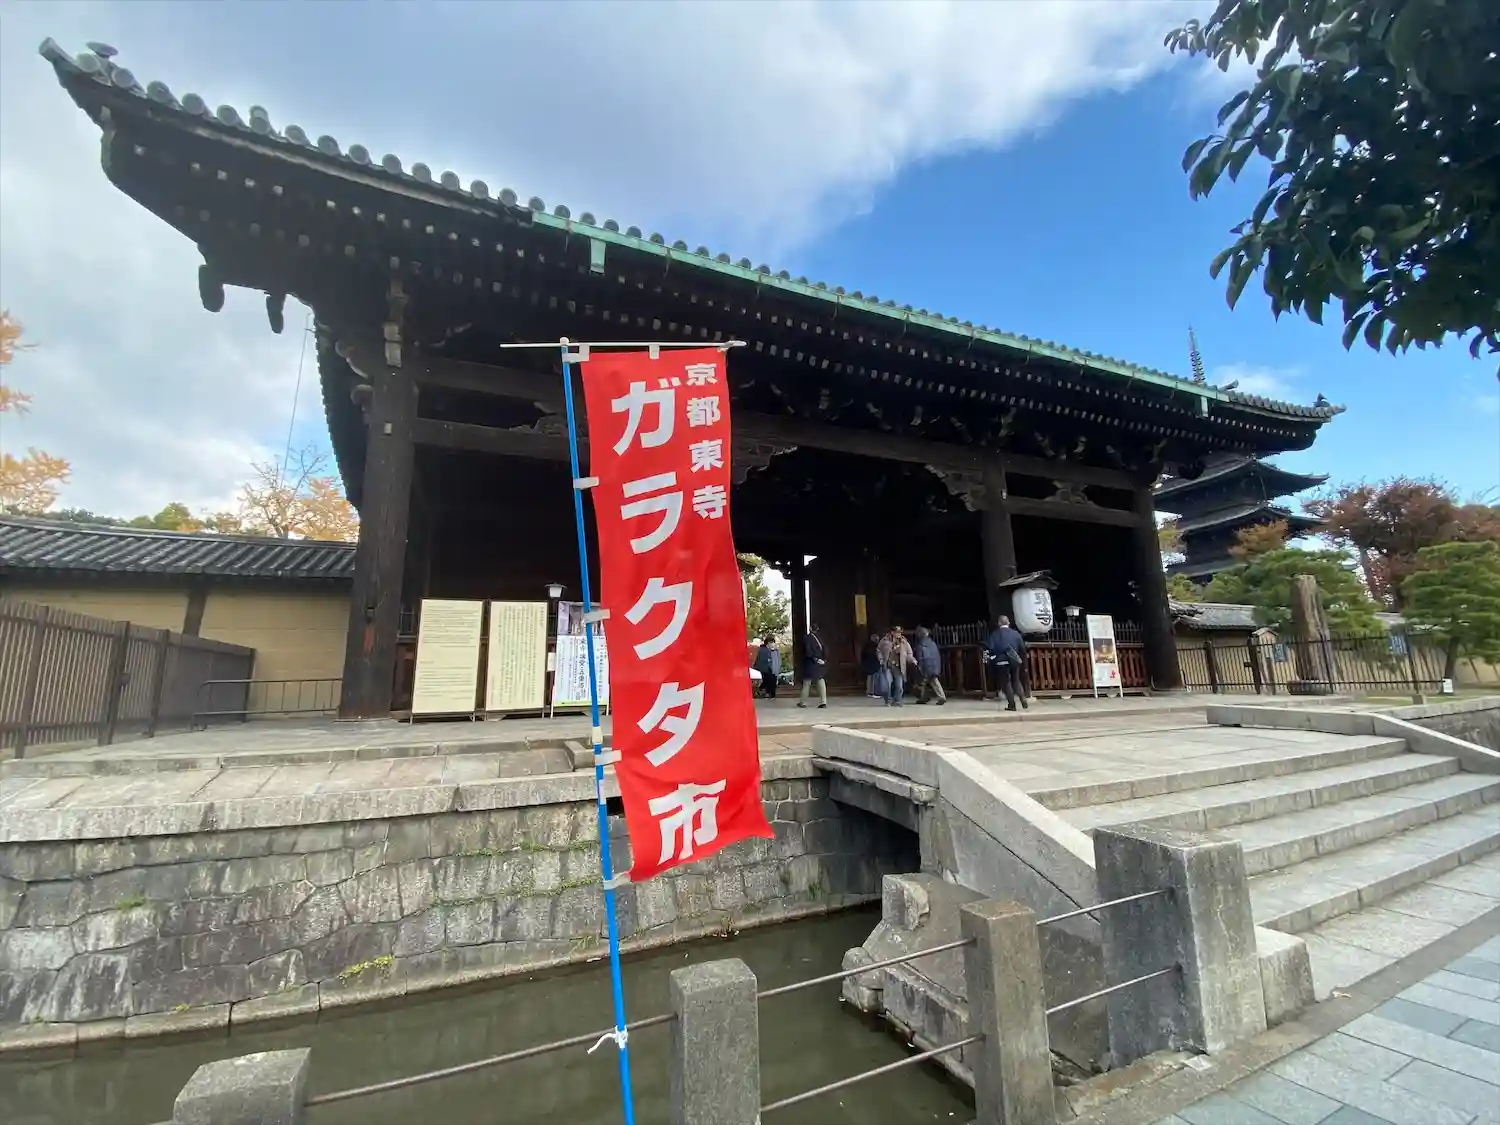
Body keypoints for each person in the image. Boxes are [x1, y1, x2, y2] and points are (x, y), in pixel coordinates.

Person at [985, 615, 1028, 712]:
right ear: (1008, 623)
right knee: (1016, 680)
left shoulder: (994, 635)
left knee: (1006, 683)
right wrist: (1022, 660)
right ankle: (1023, 698)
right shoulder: (1016, 634)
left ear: (999, 623)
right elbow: (1022, 649)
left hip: (1001, 661)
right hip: (1014, 660)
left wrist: (989, 660)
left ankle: (1012, 704)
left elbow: (989, 648)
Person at [913, 626, 947, 705]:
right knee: (930, 682)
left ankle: (941, 697)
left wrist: (920, 666)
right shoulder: (932, 644)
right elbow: (937, 656)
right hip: (934, 666)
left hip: (926, 667)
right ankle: (924, 697)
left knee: (926, 682)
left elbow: (920, 657)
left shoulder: (920, 645)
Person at [797, 624, 828, 708]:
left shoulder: (807, 638)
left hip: (811, 662)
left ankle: (803, 702)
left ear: (810, 629)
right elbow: (825, 649)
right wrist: (823, 660)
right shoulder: (820, 638)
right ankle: (823, 702)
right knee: (820, 680)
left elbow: (808, 650)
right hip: (820, 662)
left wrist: (816, 659)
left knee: (807, 682)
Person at [886, 626, 915, 707]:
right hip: (888, 666)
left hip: (899, 667)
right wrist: (881, 659)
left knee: (899, 686)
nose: (898, 634)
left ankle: (897, 700)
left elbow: (909, 653)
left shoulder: (904, 642)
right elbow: (879, 650)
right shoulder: (885, 641)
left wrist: (912, 659)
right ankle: (889, 700)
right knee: (887, 684)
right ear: (892, 632)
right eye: (897, 632)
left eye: (899, 632)